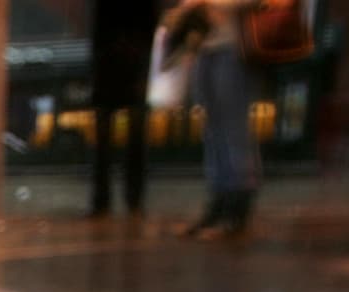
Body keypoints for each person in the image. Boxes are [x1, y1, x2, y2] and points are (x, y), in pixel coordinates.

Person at [173, 0, 263, 238]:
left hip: (233, 48)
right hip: (205, 47)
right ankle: (218, 203)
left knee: (233, 129)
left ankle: (237, 207)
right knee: (212, 130)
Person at [88, 0, 161, 218]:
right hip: (132, 64)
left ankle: (104, 201)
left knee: (107, 141)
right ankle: (132, 201)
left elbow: (98, 30)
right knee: (134, 139)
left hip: (111, 65)